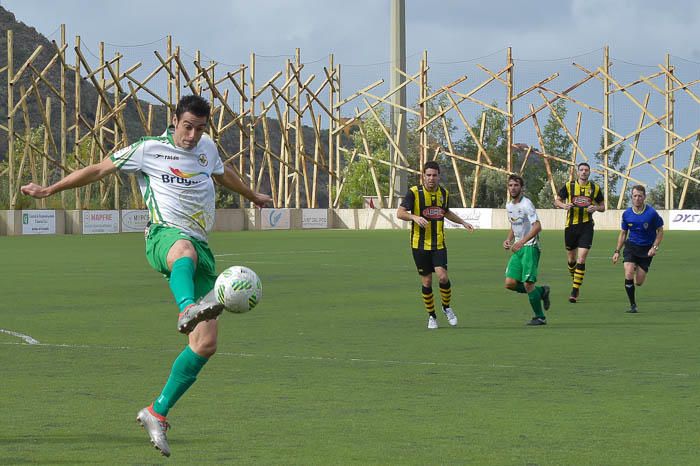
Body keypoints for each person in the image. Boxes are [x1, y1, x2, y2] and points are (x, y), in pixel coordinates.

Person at [21, 95, 272, 457]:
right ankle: (186, 307)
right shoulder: (148, 148)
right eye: (187, 126)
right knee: (181, 250)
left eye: (200, 129)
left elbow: (222, 173)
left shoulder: (207, 149)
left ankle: (157, 412)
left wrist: (252, 194)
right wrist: (49, 189)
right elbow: (98, 169)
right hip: (163, 235)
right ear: (174, 121)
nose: (192, 135)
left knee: (205, 344)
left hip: (202, 247)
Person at [396, 161, 475, 329]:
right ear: (423, 176)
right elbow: (400, 213)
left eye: (434, 175)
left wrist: (462, 222)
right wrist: (414, 217)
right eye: (428, 175)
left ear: (439, 176)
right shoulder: (414, 193)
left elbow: (446, 212)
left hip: (438, 243)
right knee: (426, 282)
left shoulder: (443, 193)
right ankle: (432, 316)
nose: (431, 178)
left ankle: (446, 307)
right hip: (419, 245)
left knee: (443, 277)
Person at [503, 174, 551, 325]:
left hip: (530, 247)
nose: (513, 188)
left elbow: (537, 226)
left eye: (516, 185)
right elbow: (514, 224)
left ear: (521, 188)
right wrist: (508, 239)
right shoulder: (509, 206)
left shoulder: (526, 204)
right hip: (519, 248)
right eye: (510, 185)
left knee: (528, 284)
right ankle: (541, 292)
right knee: (510, 283)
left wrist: (522, 242)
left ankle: (540, 317)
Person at [554, 162, 605, 303]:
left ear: (589, 172)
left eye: (586, 170)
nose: (584, 172)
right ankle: (576, 280)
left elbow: (603, 206)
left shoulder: (594, 188)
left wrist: (595, 208)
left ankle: (574, 291)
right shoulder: (569, 186)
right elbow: (556, 201)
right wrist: (564, 205)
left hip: (587, 227)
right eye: (581, 170)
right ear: (577, 172)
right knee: (571, 260)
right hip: (571, 227)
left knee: (581, 259)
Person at [612, 185, 664, 313]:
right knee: (628, 272)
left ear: (644, 197)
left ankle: (637, 267)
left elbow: (660, 231)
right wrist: (617, 251)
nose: (637, 198)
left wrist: (654, 247)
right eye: (635, 196)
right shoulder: (627, 214)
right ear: (631, 198)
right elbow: (623, 233)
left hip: (646, 250)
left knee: (639, 282)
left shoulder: (651, 213)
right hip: (631, 247)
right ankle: (633, 305)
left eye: (640, 196)